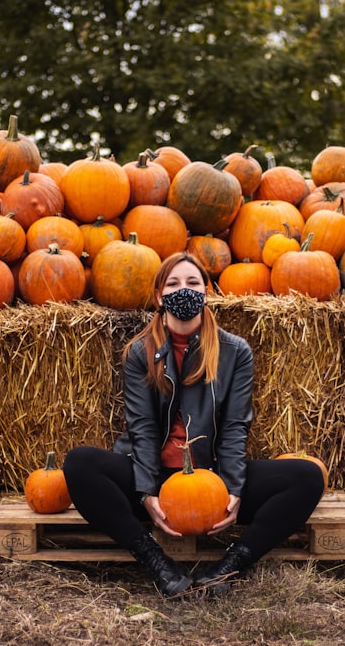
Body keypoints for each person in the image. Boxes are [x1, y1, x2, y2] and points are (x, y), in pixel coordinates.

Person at [63, 252, 326, 597]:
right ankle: (154, 560)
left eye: (192, 283)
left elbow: (235, 426)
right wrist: (146, 494)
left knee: (307, 478)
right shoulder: (141, 353)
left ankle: (228, 567)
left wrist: (233, 489)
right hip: (154, 477)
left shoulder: (235, 352)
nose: (182, 290)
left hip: (210, 476)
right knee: (79, 464)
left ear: (206, 292)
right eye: (173, 284)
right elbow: (142, 429)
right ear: (159, 296)